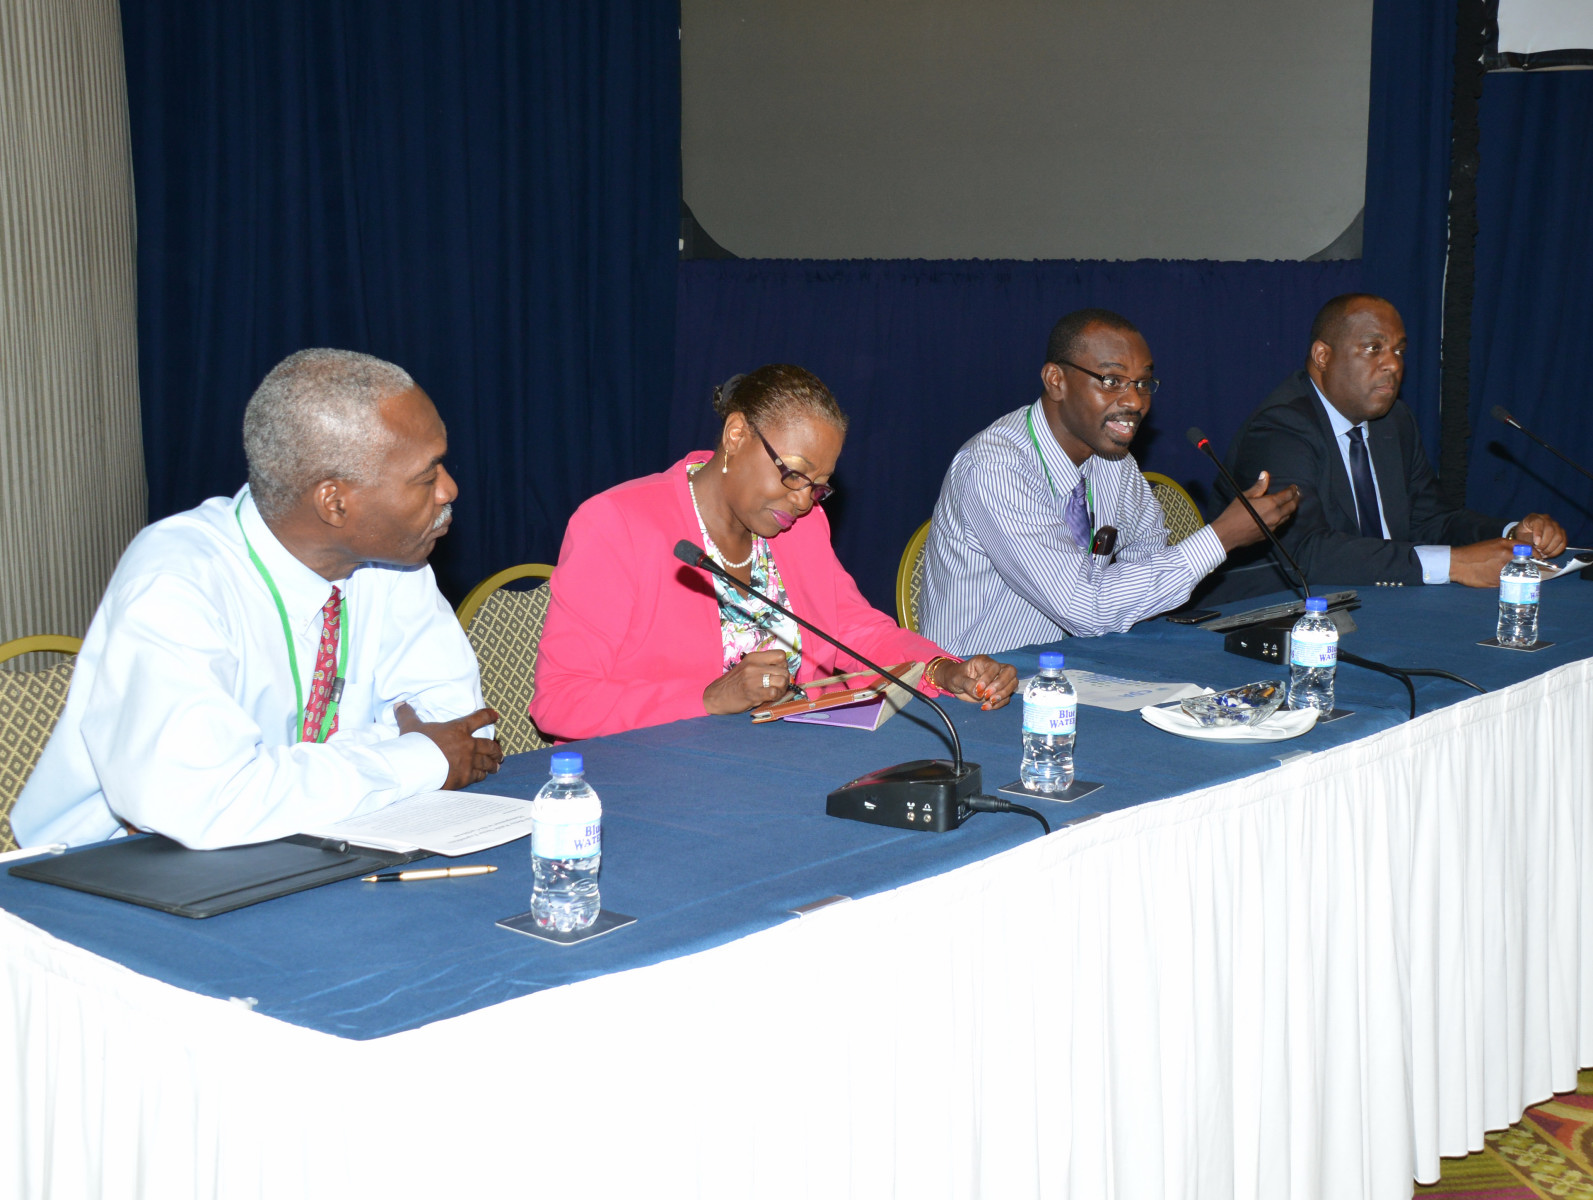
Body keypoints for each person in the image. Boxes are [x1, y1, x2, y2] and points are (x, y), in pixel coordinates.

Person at [13, 349, 502, 851]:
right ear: (334, 503)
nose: (449, 489)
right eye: (427, 476)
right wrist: (411, 756)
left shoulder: (394, 559)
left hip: (310, 843)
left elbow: (461, 730)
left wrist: (275, 779)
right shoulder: (176, 582)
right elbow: (207, 802)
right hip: (113, 865)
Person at [531, 364, 1018, 741]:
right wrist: (708, 698)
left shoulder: (800, 527)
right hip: (650, 778)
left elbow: (855, 630)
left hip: (779, 767)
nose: (804, 500)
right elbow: (560, 701)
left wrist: (942, 670)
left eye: (818, 486)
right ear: (736, 435)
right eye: (793, 474)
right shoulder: (617, 523)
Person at [918, 308, 1301, 655]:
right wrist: (1221, 537)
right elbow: (1083, 608)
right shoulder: (995, 467)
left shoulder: (1114, 462)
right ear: (1056, 380)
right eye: (1112, 380)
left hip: (1079, 667)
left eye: (1143, 383)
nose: (1135, 402)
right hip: (977, 685)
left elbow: (1148, 559)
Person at [1218, 293, 1566, 589]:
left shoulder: (1394, 421)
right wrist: (1455, 564)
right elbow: (1306, 554)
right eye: (1373, 348)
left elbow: (1432, 521)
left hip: (1387, 601)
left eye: (1399, 351)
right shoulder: (1281, 428)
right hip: (1290, 614)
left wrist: (1513, 535)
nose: (1393, 365)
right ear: (1323, 356)